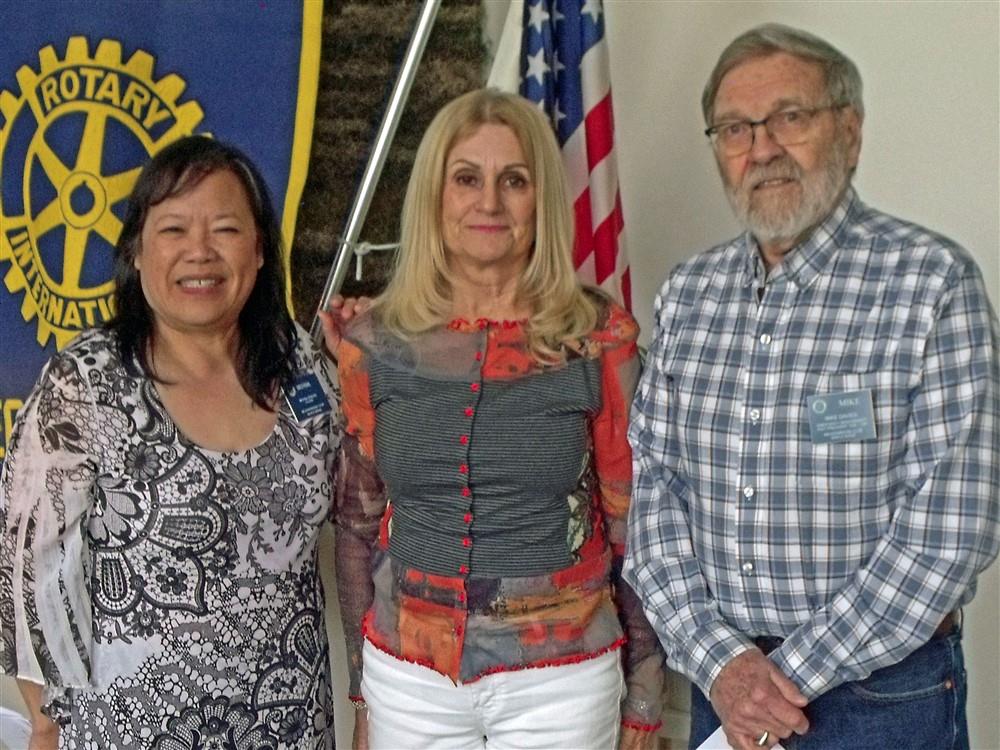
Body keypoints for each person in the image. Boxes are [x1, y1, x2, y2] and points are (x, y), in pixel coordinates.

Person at [624, 23, 1000, 750]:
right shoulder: (689, 295)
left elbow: (950, 532)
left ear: (849, 132)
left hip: (881, 698)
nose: (762, 148)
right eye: (736, 128)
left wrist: (776, 682)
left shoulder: (932, 285)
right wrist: (722, 664)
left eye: (789, 117)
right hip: (721, 690)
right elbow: (655, 492)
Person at [322, 88, 665, 750]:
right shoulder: (374, 343)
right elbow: (360, 528)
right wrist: (363, 693)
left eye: (514, 180)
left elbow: (637, 527)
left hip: (560, 681)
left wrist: (646, 696)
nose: (489, 203)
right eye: (466, 179)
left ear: (542, 201)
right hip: (410, 679)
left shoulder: (599, 338)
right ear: (435, 197)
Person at [0, 136, 340, 749]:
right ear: (136, 251)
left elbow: (365, 503)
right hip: (129, 732)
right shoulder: (87, 385)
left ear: (260, 249)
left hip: (289, 725)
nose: (200, 251)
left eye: (226, 229)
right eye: (174, 229)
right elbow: (26, 565)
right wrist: (46, 720)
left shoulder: (302, 365)